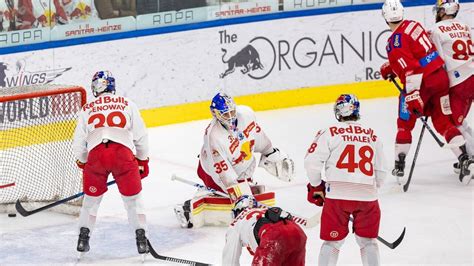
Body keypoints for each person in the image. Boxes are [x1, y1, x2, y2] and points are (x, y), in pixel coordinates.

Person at [379, 0, 471, 183]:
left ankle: (399, 165)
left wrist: (412, 96)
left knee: (405, 124)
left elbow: (410, 69)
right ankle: (465, 159)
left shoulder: (393, 43)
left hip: (421, 84)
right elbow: (420, 54)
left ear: (385, 17)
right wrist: (392, 66)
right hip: (441, 79)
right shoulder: (415, 25)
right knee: (444, 122)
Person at [174, 92, 295, 228]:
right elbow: (221, 170)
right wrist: (237, 194)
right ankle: (188, 210)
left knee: (246, 197)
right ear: (215, 114)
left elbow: (258, 136)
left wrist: (270, 152)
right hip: (212, 173)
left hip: (242, 166)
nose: (231, 117)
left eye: (232, 112)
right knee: (235, 199)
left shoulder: (246, 114)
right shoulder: (213, 136)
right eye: (226, 114)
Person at [72, 71, 150, 255]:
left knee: (91, 202)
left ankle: (83, 238)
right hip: (122, 154)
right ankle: (141, 238)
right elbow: (141, 136)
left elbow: (78, 142)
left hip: (96, 155)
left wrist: (84, 161)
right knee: (133, 201)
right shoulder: (128, 103)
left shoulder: (87, 108)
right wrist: (142, 160)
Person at [305, 94, 386, 266]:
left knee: (332, 243)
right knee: (368, 242)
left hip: (337, 197)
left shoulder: (330, 132)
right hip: (368, 197)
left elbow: (311, 162)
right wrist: (370, 188)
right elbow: (381, 172)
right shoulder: (372, 135)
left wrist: (316, 185)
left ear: (338, 111)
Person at [429, 0, 474, 180]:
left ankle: (470, 158)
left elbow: (437, 61)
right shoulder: (464, 26)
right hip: (471, 76)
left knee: (455, 123)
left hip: (459, 82)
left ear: (442, 11)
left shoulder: (436, 30)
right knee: (461, 122)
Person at [222, 195, 307, 266]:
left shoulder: (237, 222)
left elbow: (230, 261)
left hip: (273, 236)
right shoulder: (263, 210)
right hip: (297, 232)